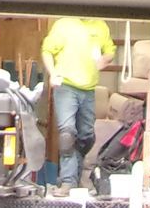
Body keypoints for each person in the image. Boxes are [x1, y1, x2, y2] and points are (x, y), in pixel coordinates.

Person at [41, 16, 114, 191]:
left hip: (88, 89)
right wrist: (53, 73)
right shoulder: (64, 24)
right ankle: (68, 181)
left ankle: (74, 174)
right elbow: (46, 50)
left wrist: (105, 59)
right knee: (67, 135)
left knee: (86, 136)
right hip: (66, 86)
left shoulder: (100, 25)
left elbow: (110, 50)